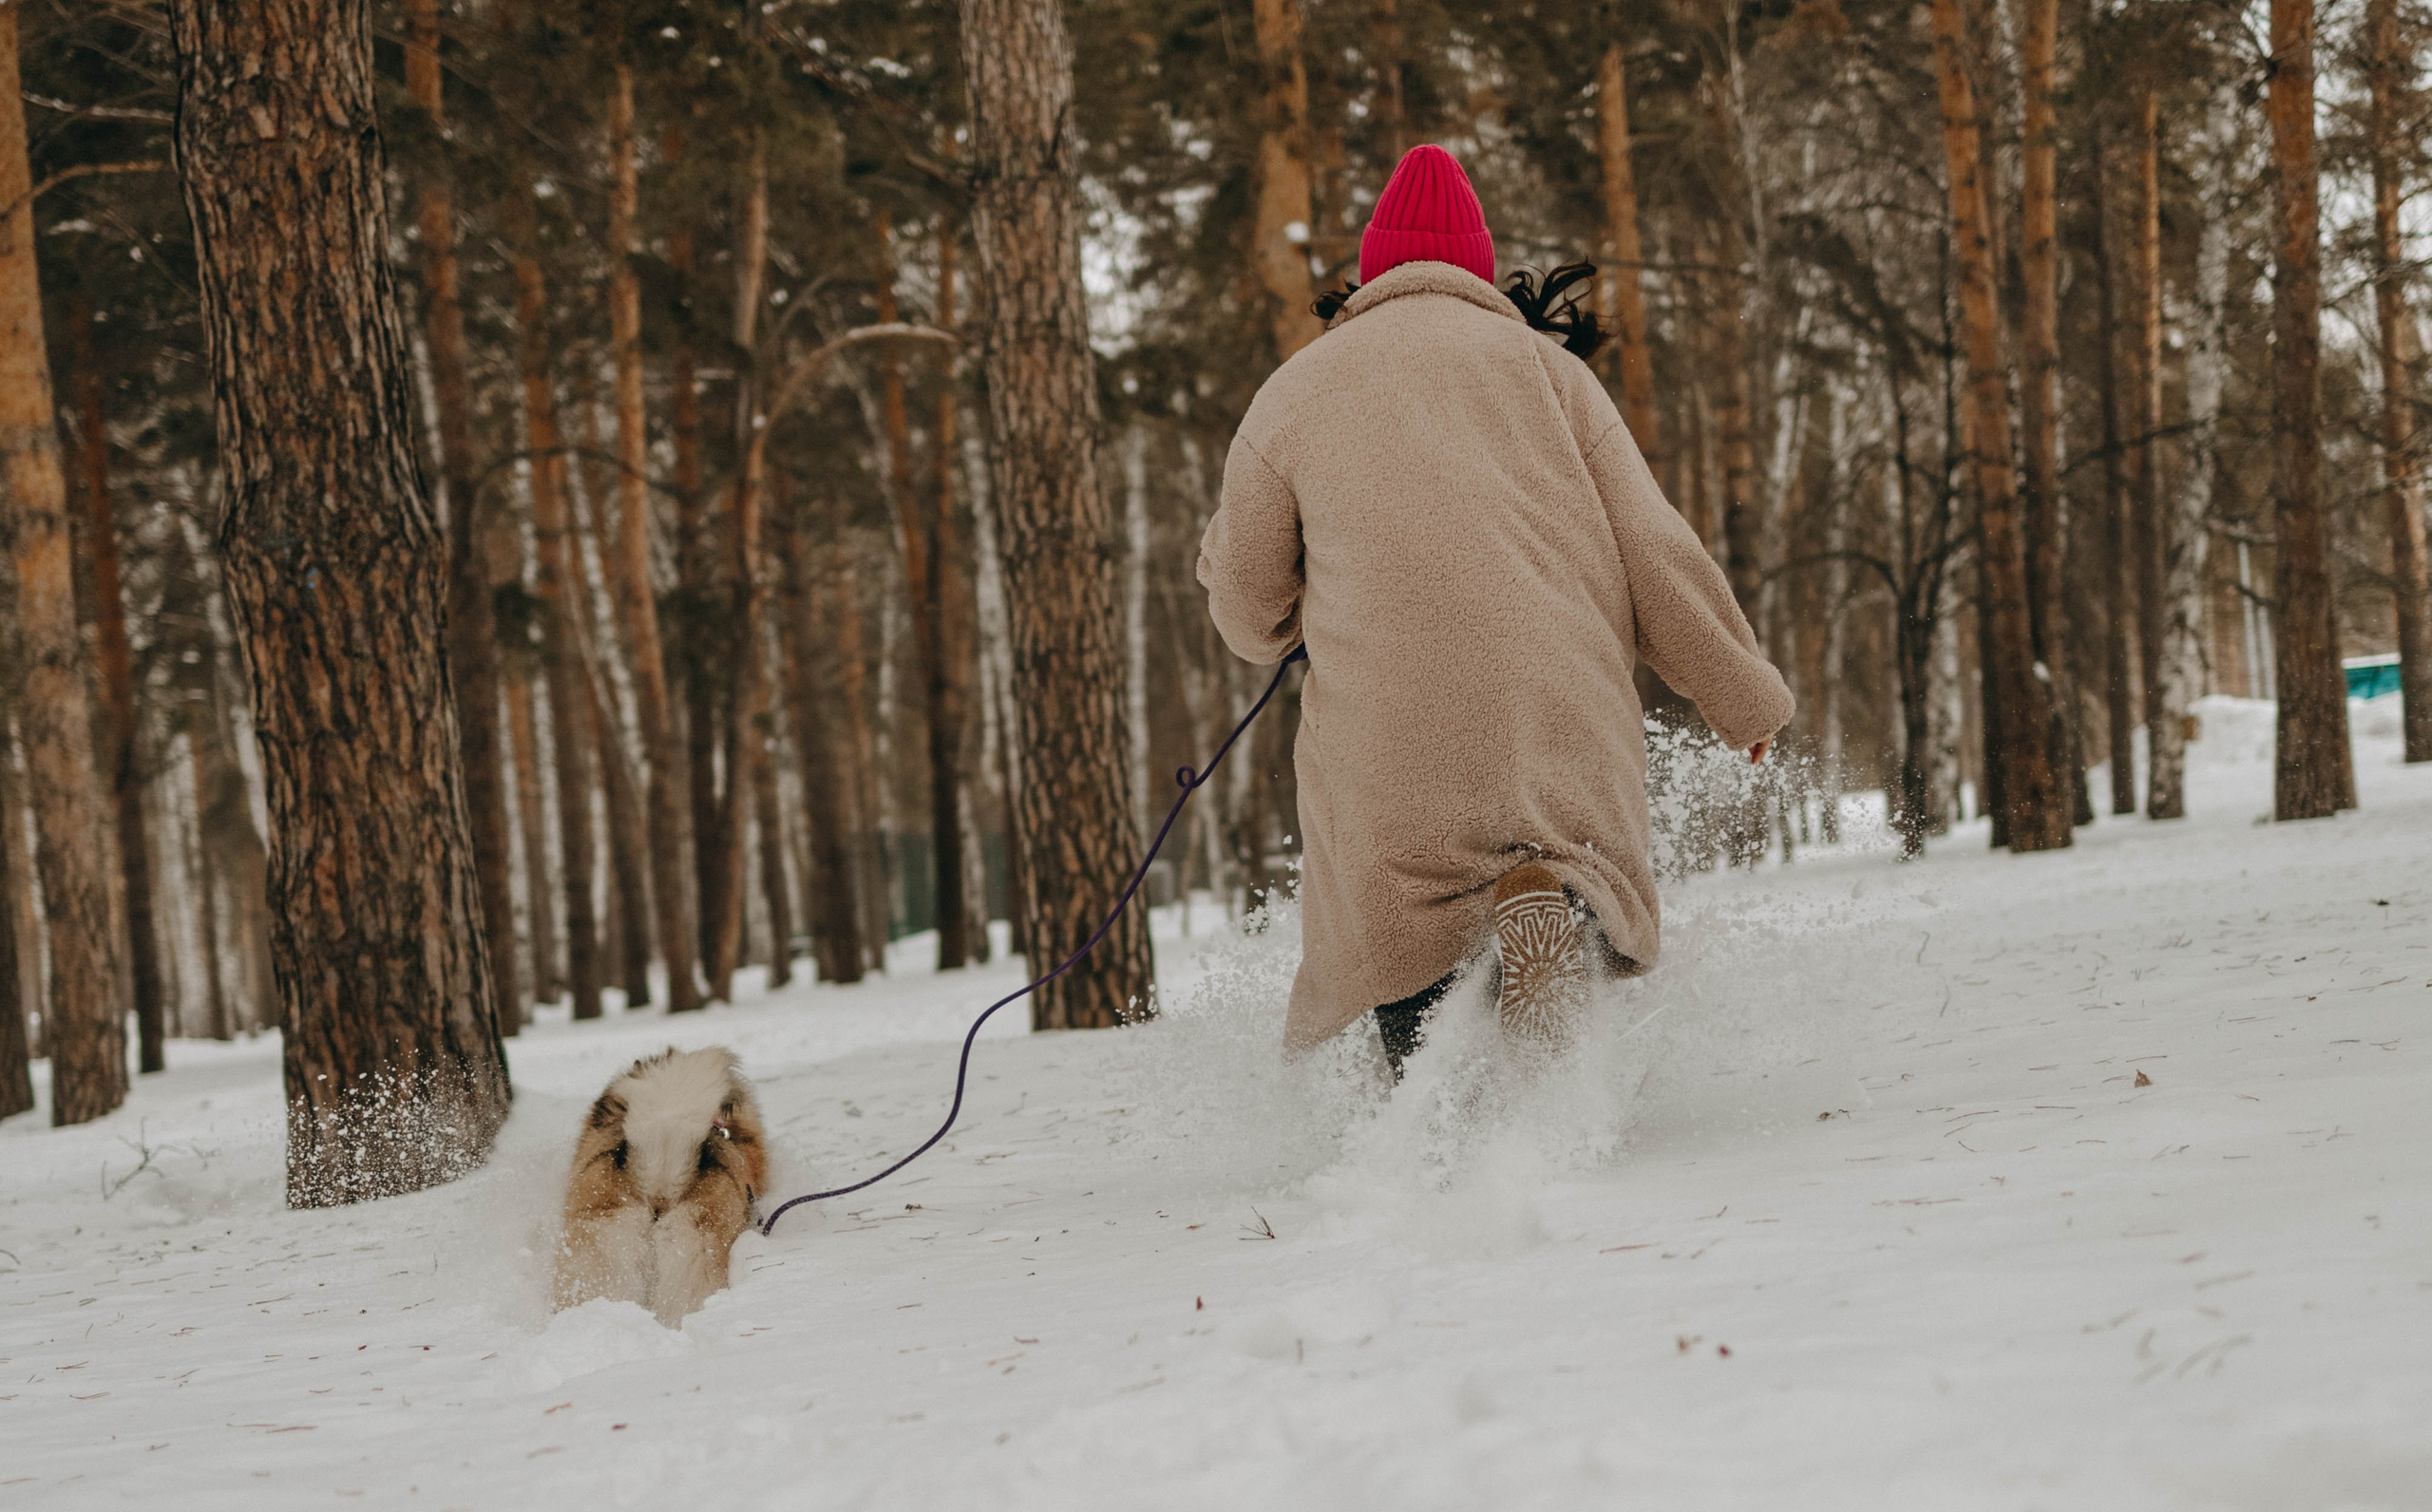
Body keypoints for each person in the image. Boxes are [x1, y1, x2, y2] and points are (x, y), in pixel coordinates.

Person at [1196, 143, 1794, 1074]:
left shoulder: (1292, 396)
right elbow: (1654, 551)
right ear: (1475, 267)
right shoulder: (1552, 376)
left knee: (1402, 934)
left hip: (1391, 743)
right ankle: (1552, 912)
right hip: (1554, 714)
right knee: (1571, 858)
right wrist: (1740, 694)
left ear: (1373, 268)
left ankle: (1433, 1117)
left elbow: (1246, 613)